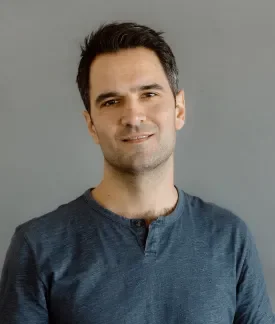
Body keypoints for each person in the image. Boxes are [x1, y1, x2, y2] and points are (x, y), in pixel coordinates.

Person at [0, 21, 274, 324]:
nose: (133, 116)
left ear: (179, 109)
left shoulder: (229, 238)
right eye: (112, 101)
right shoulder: (38, 247)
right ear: (91, 124)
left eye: (149, 94)